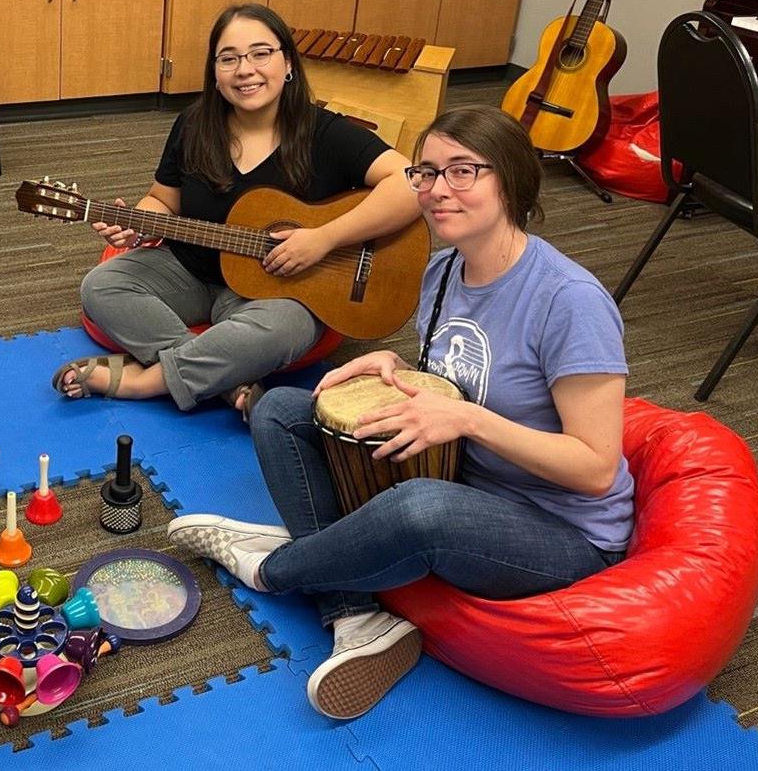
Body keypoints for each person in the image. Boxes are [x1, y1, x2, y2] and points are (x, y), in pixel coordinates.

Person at [167, 105, 634, 720]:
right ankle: (352, 613)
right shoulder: (442, 269)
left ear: (513, 181)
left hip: (562, 530)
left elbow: (597, 468)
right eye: (427, 172)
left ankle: (271, 567)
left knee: (419, 510)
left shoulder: (570, 302)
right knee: (280, 408)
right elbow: (457, 382)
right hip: (464, 475)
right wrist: (395, 367)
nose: (438, 191)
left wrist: (468, 422)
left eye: (462, 172)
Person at [52, 3, 419, 418]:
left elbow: (411, 183)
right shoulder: (194, 124)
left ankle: (144, 382)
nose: (245, 69)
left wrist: (324, 238)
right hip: (192, 271)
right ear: (215, 71)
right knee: (101, 286)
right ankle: (226, 381)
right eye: (229, 58)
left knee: (286, 328)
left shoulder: (324, 132)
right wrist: (136, 227)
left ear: (288, 63)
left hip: (275, 292)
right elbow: (163, 200)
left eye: (260, 53)